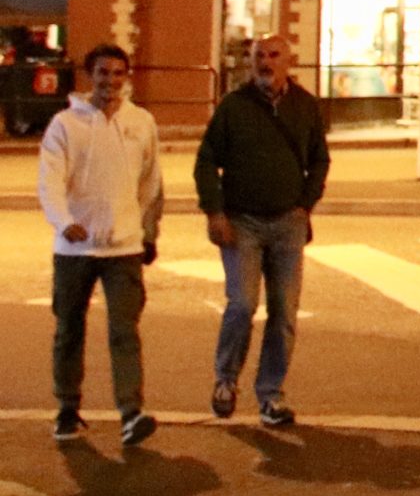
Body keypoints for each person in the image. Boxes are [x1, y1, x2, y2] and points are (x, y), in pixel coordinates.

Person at [194, 33, 328, 427]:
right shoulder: (234, 107)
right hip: (242, 223)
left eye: (273, 55)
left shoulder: (305, 107)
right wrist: (214, 212)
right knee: (242, 304)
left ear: (289, 61)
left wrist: (305, 203)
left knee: (284, 311)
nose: (266, 63)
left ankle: (271, 395)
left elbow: (320, 159)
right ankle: (225, 380)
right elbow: (205, 161)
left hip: (288, 221)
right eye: (259, 57)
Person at [39, 44, 162, 446]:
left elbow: (151, 182)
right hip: (74, 250)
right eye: (103, 73)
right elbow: (50, 180)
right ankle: (67, 408)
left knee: (125, 331)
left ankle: (131, 412)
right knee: (69, 329)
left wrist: (146, 231)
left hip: (123, 248)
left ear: (126, 77)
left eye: (118, 73)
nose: (110, 81)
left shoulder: (141, 122)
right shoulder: (65, 125)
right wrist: (65, 221)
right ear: (89, 74)